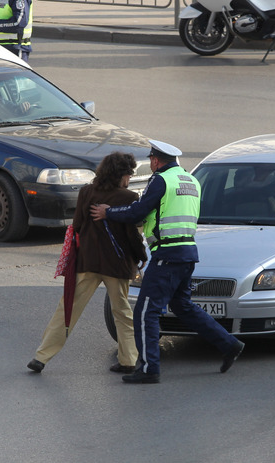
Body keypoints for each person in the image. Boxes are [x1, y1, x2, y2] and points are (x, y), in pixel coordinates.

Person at [90, 140, 245, 383]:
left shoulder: (161, 180)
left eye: (151, 160)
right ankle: (229, 344)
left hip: (167, 255)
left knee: (145, 313)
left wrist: (108, 212)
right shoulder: (190, 180)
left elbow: (138, 212)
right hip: (187, 253)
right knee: (183, 306)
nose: (151, 164)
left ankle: (149, 369)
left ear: (155, 160)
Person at [27, 152, 146, 374]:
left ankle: (41, 356)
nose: (129, 179)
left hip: (88, 261)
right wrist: (141, 255)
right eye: (128, 175)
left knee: (67, 309)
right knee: (121, 312)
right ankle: (128, 360)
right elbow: (132, 234)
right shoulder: (129, 198)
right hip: (116, 265)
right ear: (120, 175)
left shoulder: (86, 192)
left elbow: (78, 226)